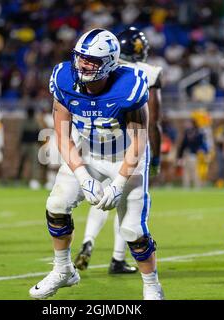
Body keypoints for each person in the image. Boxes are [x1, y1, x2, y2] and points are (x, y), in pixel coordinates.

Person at [29, 28, 164, 300]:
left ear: (111, 63)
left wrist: (118, 184)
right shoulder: (64, 79)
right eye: (81, 58)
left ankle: (152, 287)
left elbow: (139, 143)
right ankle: (63, 270)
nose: (84, 65)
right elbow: (62, 135)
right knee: (55, 205)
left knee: (132, 230)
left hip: (125, 157)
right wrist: (83, 177)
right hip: (88, 152)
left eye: (92, 60)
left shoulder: (130, 85)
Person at [74, 27, 163, 274]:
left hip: (92, 141)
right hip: (127, 147)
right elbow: (152, 121)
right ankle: (117, 258)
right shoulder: (147, 73)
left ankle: (87, 241)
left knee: (98, 197)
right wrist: (155, 156)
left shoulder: (101, 69)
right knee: (125, 204)